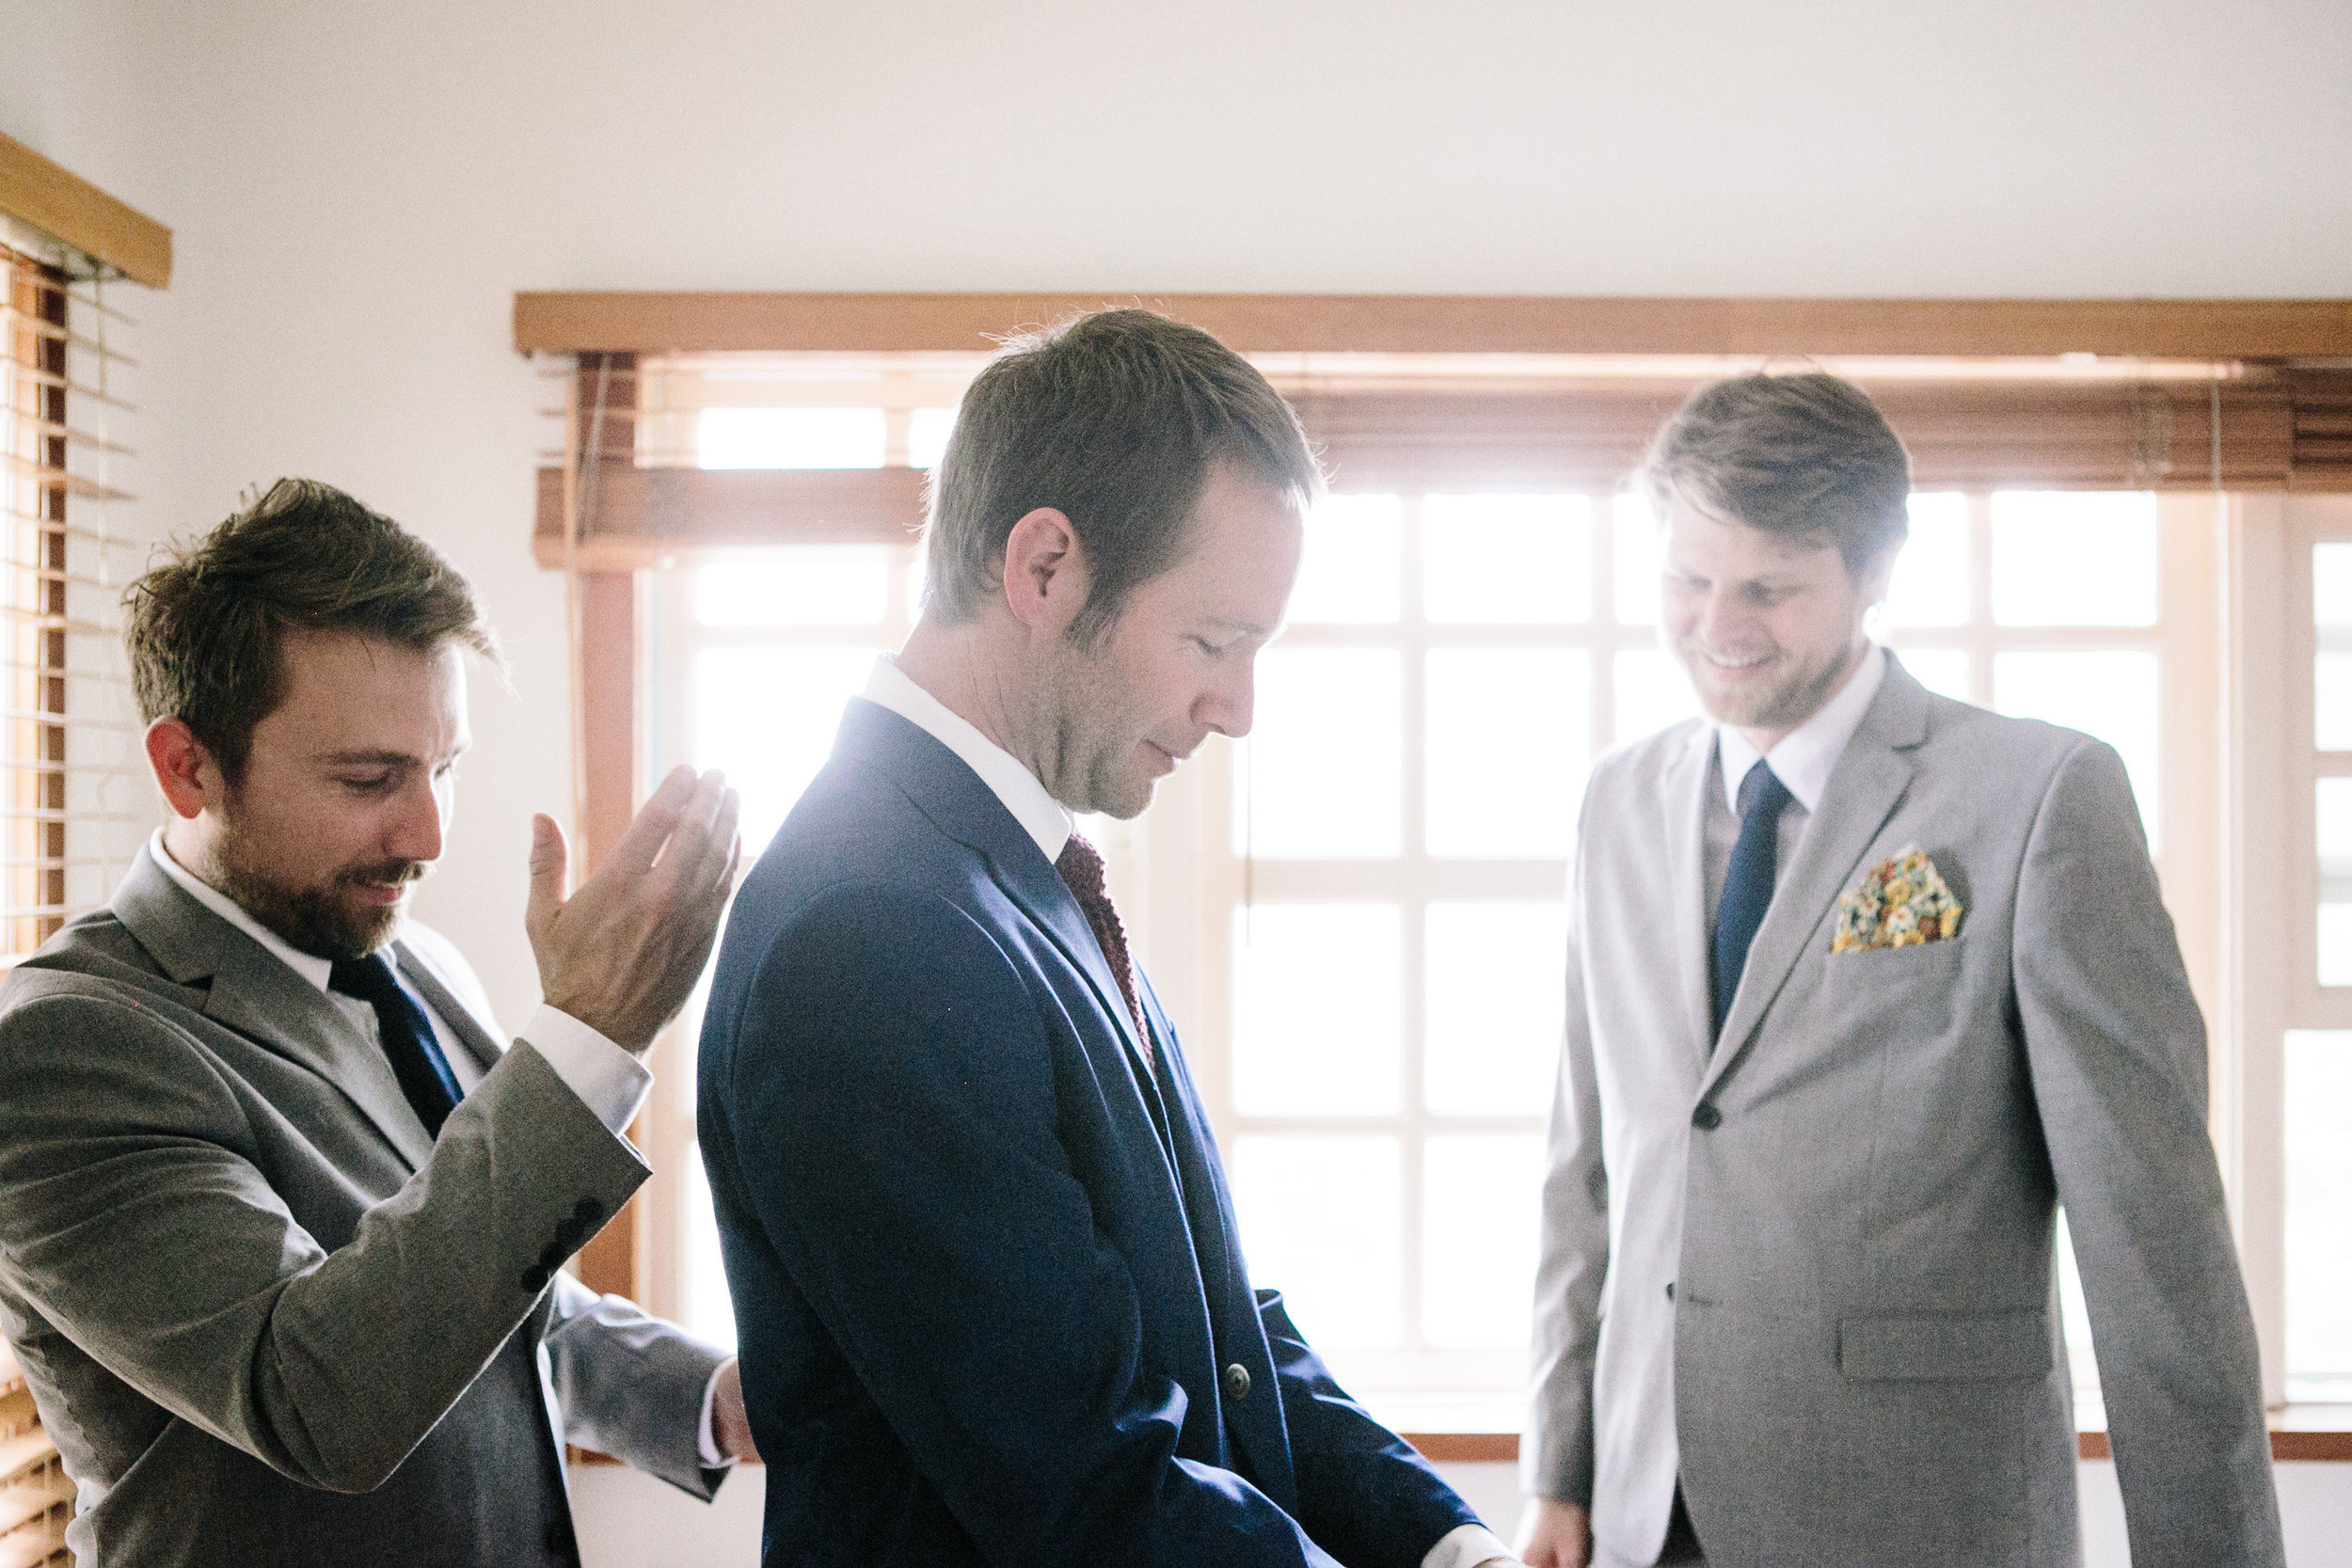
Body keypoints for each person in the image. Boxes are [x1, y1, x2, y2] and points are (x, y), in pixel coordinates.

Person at [698, 309, 1516, 1568]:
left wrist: (1447, 1541)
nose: (1235, 707)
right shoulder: (873, 928)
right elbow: (1082, 1473)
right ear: (1043, 568)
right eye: (1212, 641)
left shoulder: (1014, 875)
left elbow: (1215, 1318)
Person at [1517, 374, 2284, 1568]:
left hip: (1921, 1516)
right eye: (1686, 579)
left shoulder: (2038, 798)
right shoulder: (1617, 799)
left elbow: (2153, 1238)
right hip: (1638, 1508)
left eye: (1769, 587)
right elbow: (1590, 1171)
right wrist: (1558, 1472)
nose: (1719, 622)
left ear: (1874, 574)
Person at [0, 480, 753, 1567]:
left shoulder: (414, 964)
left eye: (444, 768)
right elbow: (319, 1395)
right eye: (370, 778)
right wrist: (586, 1036)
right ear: (188, 766)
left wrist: (712, 1398)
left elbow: (486, 1294)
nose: (429, 833)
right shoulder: (65, 1050)